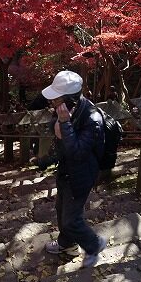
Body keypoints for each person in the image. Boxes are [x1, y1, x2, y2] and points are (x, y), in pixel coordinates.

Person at [41, 70, 107, 267]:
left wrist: (64, 124)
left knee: (71, 219)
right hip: (66, 171)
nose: (52, 102)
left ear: (69, 97)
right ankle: (67, 244)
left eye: (56, 97)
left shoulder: (93, 119)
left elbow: (77, 152)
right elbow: (57, 133)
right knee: (61, 210)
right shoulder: (68, 108)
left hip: (82, 174)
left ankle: (94, 245)